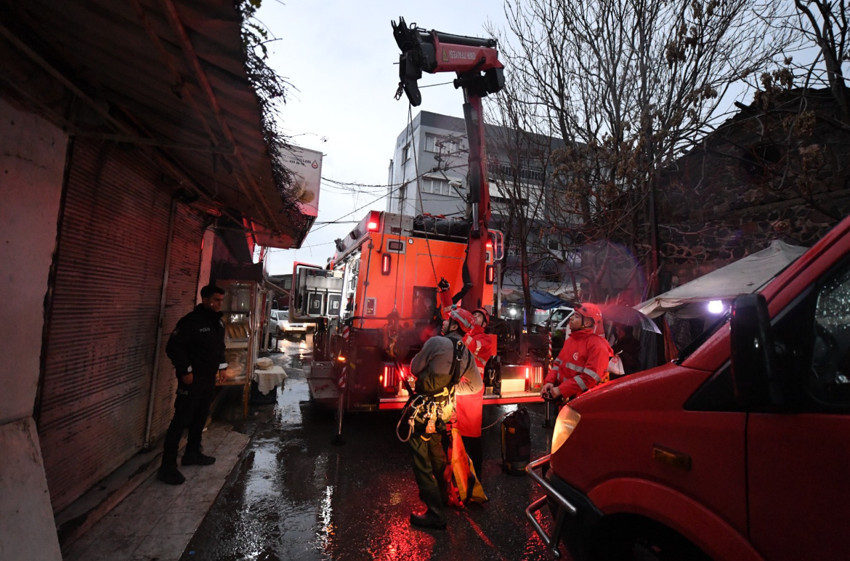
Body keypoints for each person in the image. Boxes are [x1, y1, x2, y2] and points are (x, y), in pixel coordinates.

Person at [406, 309, 477, 530]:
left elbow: (415, 368)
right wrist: (450, 389)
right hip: (443, 413)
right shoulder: (467, 353)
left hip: (424, 412)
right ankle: (445, 497)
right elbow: (475, 386)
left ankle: (435, 513)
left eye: (448, 321)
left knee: (421, 460)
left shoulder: (436, 342)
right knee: (437, 454)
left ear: (455, 326)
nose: (444, 323)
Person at [158, 283, 228, 485]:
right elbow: (173, 348)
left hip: (208, 379)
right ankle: (167, 467)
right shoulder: (190, 322)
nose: (219, 304)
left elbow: (219, 348)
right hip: (192, 380)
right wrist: (185, 370)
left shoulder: (218, 323)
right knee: (181, 420)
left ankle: (192, 453)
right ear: (205, 300)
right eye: (215, 300)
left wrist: (222, 367)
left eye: (221, 301)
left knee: (200, 417)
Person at [540, 302, 613, 403]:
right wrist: (549, 382)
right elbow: (558, 364)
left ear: (587, 323)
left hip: (583, 403)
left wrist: (561, 390)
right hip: (564, 399)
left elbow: (590, 378)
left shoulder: (597, 346)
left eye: (576, 316)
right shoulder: (571, 340)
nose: (571, 318)